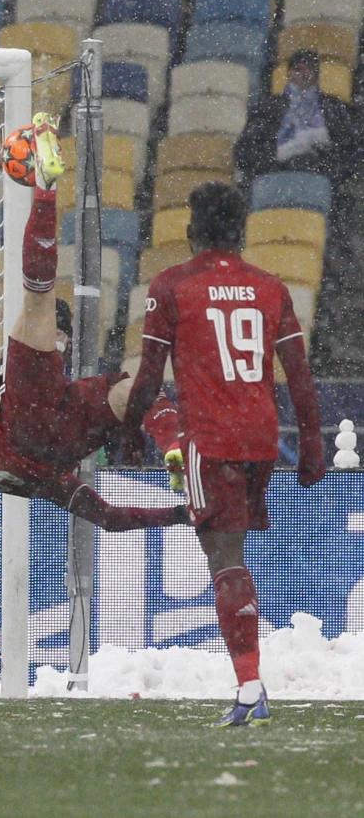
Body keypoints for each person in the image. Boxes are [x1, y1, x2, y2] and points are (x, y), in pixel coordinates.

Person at [120, 181, 325, 727]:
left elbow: (147, 376)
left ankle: (250, 687)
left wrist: (125, 433)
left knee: (223, 558)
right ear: (239, 233)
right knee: (231, 556)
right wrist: (311, 442)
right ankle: (250, 681)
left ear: (190, 232)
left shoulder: (171, 286)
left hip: (209, 440)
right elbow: (300, 377)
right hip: (260, 438)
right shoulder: (269, 286)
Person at [0, 113, 191, 533]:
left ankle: (176, 445)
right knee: (39, 300)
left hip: (67, 442)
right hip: (36, 420)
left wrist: (180, 516)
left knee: (131, 391)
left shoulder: (39, 482)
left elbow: (109, 518)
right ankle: (45, 189)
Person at [233, 50, 357, 188]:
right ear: (289, 74)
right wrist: (278, 159)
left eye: (309, 69)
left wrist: (330, 169)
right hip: (275, 181)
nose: (303, 74)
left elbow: (352, 150)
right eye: (298, 69)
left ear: (317, 76)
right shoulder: (268, 108)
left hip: (325, 182)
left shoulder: (334, 107)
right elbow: (243, 152)